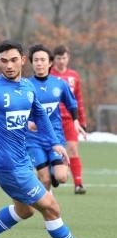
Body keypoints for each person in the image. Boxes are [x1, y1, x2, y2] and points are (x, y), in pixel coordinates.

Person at [0, 40, 107, 238]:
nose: (9, 65)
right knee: (52, 207)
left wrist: (55, 143)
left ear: (22, 60)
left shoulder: (28, 87)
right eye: (4, 61)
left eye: (14, 60)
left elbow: (41, 115)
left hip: (22, 161)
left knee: (25, 211)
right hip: (8, 165)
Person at [26, 44, 85, 191]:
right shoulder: (25, 85)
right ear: (31, 63)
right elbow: (16, 109)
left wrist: (76, 121)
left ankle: (55, 171)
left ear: (50, 62)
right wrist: (27, 122)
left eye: (42, 60)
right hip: (34, 138)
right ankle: (49, 209)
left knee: (61, 177)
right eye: (36, 60)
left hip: (55, 136)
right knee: (44, 180)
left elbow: (72, 104)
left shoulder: (59, 84)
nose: (39, 63)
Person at [50, 45, 88, 194]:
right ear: (54, 59)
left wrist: (81, 121)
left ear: (68, 58)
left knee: (72, 149)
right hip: (52, 120)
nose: (61, 61)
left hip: (69, 121)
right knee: (54, 150)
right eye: (58, 58)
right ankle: (53, 174)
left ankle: (78, 184)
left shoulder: (74, 76)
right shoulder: (49, 75)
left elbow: (78, 100)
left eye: (64, 58)